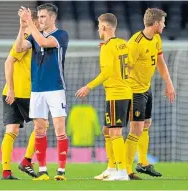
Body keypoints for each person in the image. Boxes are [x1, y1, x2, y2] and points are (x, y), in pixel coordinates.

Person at [75, 13, 132, 181]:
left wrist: (88, 86)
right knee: (107, 130)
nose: (98, 29)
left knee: (115, 132)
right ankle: (111, 168)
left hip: (116, 93)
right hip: (123, 91)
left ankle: (121, 171)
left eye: (99, 26)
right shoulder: (122, 44)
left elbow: (107, 72)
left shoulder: (107, 46)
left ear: (105, 27)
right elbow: (129, 65)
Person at [16, 3, 69, 181]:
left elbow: (44, 42)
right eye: (38, 17)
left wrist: (29, 22)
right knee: (39, 129)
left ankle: (61, 171)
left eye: (43, 16)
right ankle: (43, 171)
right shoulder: (33, 35)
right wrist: (22, 27)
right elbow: (18, 48)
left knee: (60, 129)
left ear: (53, 18)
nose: (40, 20)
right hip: (37, 90)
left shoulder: (61, 35)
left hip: (55, 88)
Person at [124, 8, 176, 179]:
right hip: (133, 90)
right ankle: (126, 169)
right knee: (136, 129)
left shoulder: (156, 39)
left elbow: (160, 62)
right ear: (155, 24)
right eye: (162, 22)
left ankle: (143, 163)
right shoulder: (136, 43)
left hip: (146, 88)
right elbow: (125, 68)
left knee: (146, 125)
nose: (164, 25)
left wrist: (169, 83)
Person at [1, 11, 43, 180]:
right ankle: (26, 160)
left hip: (18, 91)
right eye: (39, 19)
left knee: (12, 130)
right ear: (33, 21)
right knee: (42, 126)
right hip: (23, 92)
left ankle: (6, 171)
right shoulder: (29, 36)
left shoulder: (36, 37)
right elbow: (9, 61)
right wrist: (11, 89)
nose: (41, 22)